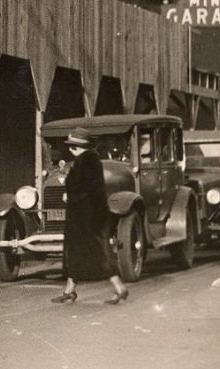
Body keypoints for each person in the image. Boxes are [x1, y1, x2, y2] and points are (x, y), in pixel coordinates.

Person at [52, 127, 129, 305]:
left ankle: (119, 288)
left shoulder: (87, 162)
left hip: (88, 217)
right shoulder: (86, 160)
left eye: (71, 146)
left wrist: (71, 196)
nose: (69, 150)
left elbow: (90, 190)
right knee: (78, 253)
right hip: (85, 216)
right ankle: (69, 291)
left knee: (98, 253)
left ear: (76, 146)